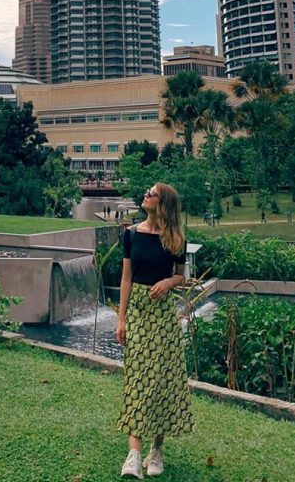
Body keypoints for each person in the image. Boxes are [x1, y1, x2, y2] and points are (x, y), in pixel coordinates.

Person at [115, 183, 194, 478]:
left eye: (152, 193)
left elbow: (181, 276)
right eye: (147, 192)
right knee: (136, 379)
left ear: (164, 204)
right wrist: (121, 319)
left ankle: (156, 449)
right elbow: (126, 278)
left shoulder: (175, 238)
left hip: (162, 316)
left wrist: (168, 283)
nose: (146, 195)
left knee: (162, 381)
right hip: (136, 310)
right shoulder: (131, 234)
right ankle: (134, 454)